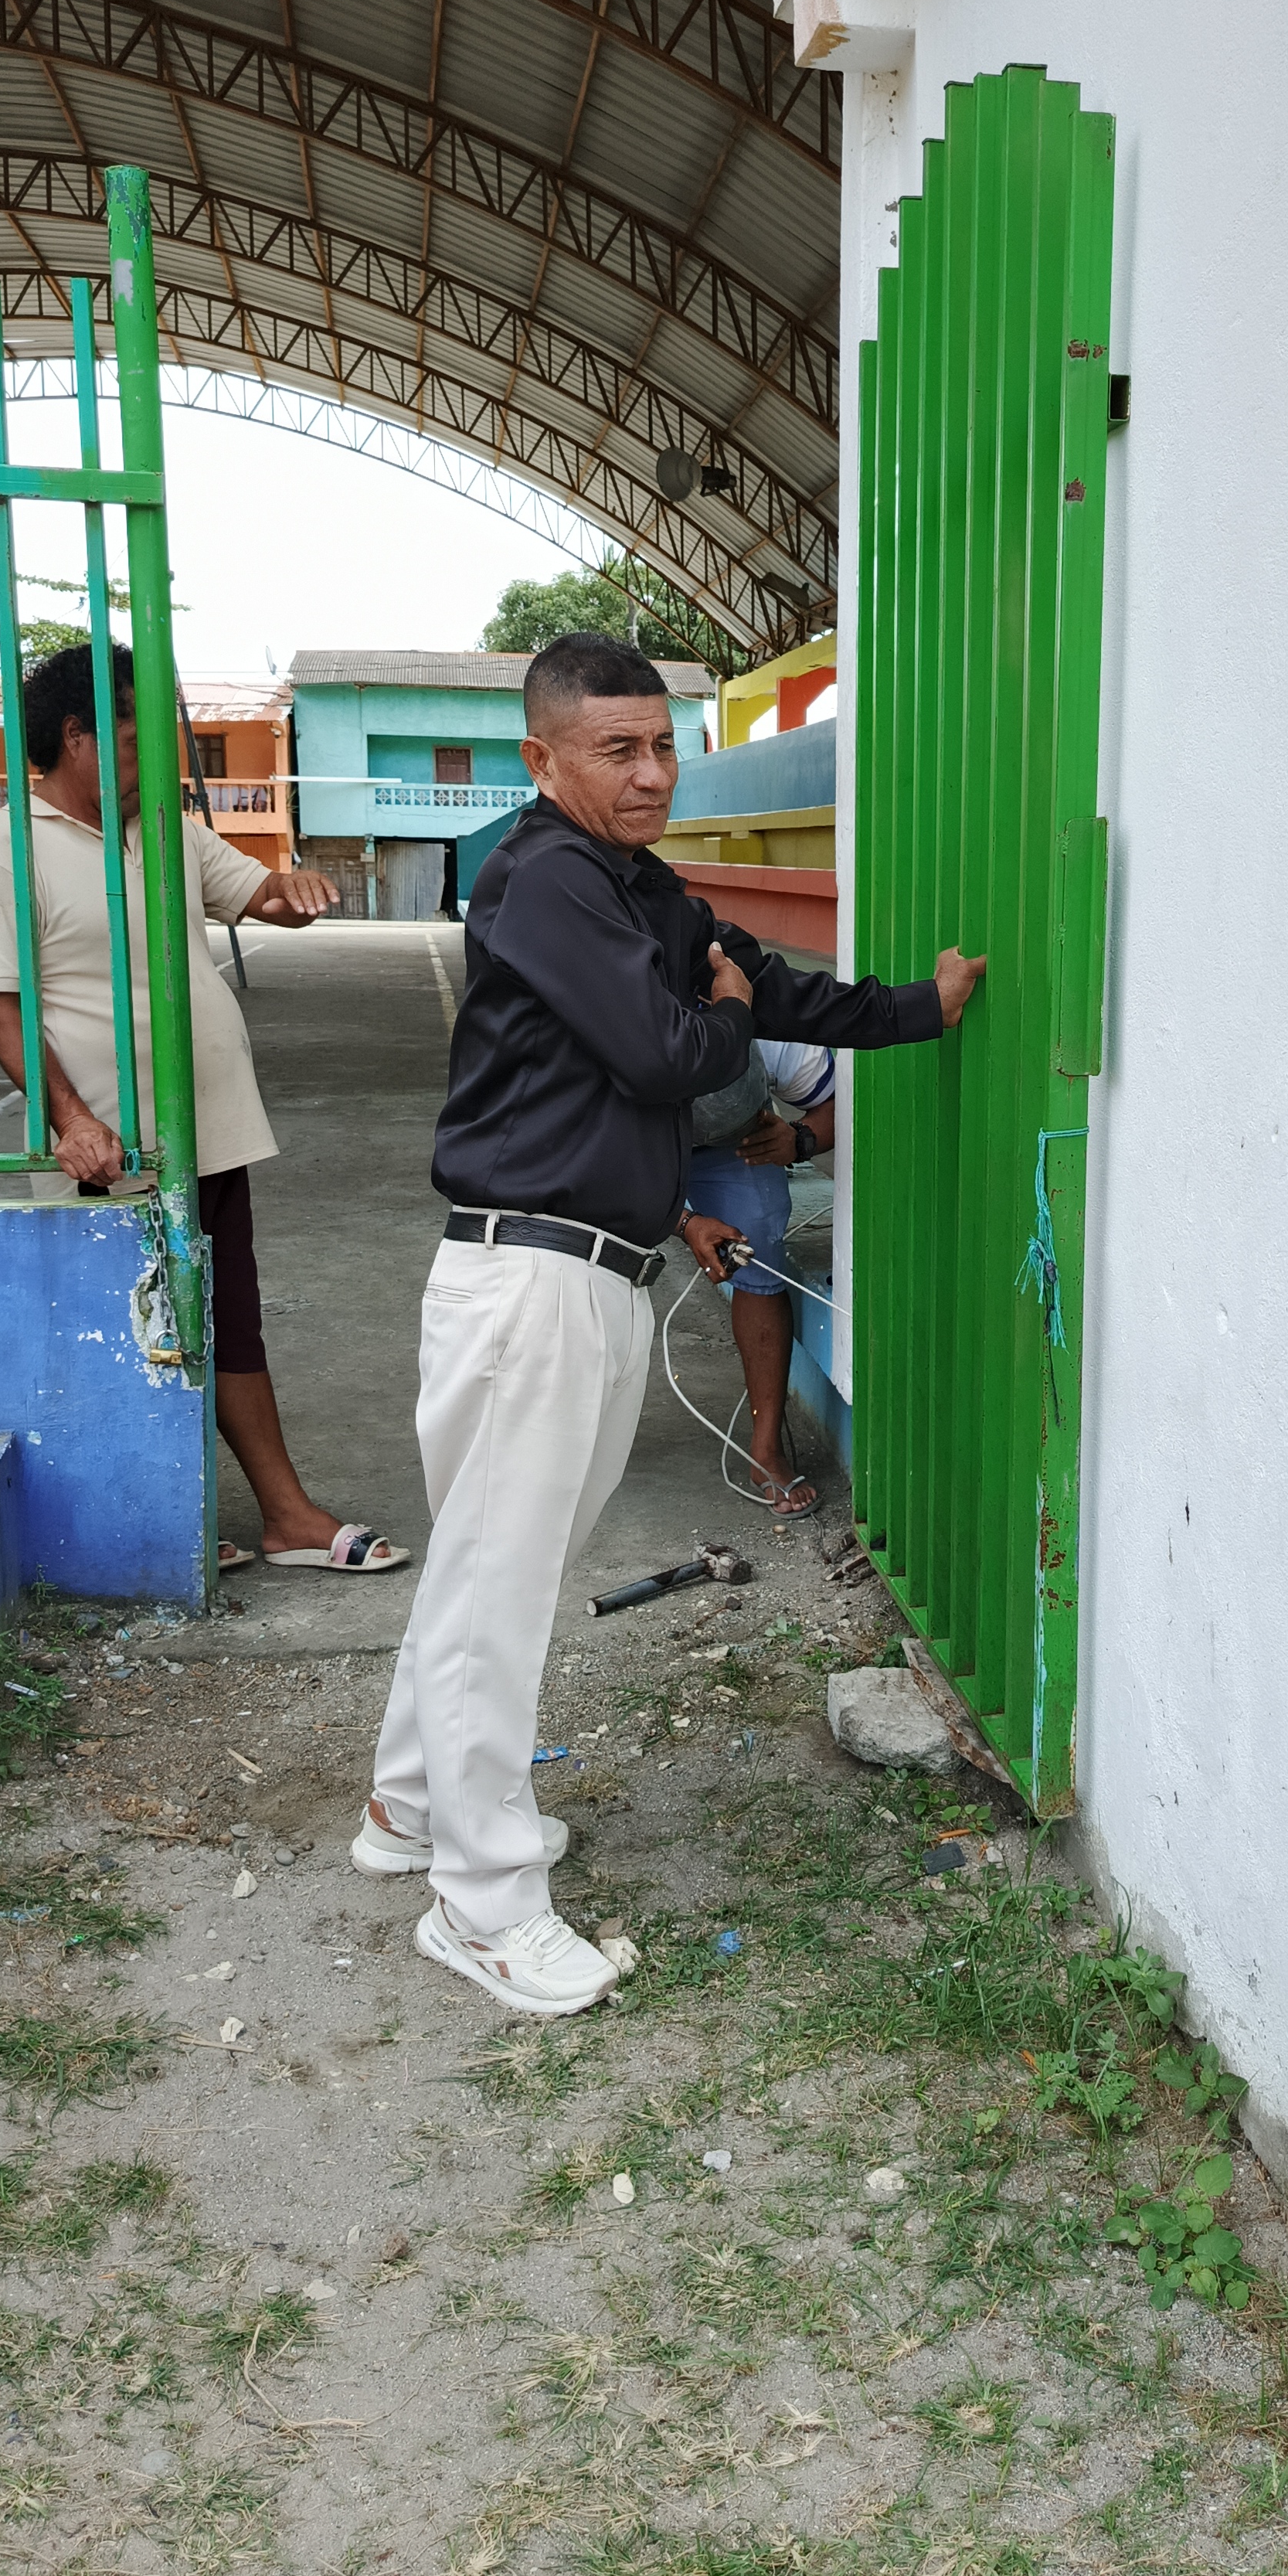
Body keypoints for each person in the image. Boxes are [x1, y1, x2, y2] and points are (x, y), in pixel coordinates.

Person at [352, 631, 985, 2018]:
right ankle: (484, 1904)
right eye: (617, 751)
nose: (651, 775)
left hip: (588, 1273)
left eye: (663, 746)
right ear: (543, 759)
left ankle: (409, 1809)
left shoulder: (636, 886)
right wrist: (730, 1013)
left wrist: (917, 1011)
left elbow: (765, 982)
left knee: (490, 1571)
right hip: (529, 1281)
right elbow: (670, 1051)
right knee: (499, 1593)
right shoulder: (546, 879)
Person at [0, 641, 408, 1577]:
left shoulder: (163, 829)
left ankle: (284, 1516)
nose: (152, 759)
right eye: (134, 738)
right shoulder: (5, 850)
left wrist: (294, 891)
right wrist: (72, 1120)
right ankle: (157, 1525)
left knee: (228, 1319)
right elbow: (0, 1005)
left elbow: (258, 895)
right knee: (133, 1333)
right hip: (114, 1150)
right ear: (75, 736)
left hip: (209, 1129)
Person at [683, 1040, 837, 1516]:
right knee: (593, 1253)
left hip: (733, 1144)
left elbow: (836, 1102)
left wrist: (801, 1140)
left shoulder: (771, 1030)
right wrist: (683, 1223)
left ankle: (765, 1449)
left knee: (758, 1245)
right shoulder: (612, 1016)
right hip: (620, 1138)